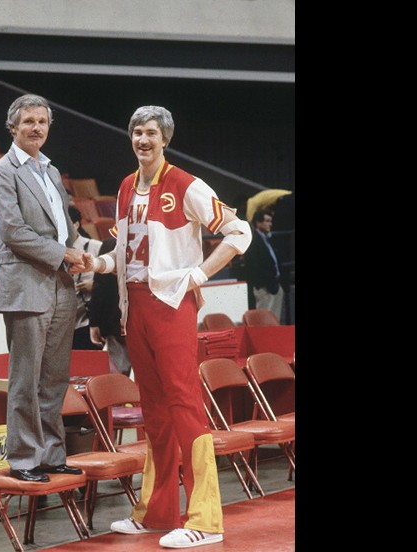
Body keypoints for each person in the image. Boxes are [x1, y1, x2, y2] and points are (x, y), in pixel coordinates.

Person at [84, 105, 252, 548]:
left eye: (151, 133)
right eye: (137, 132)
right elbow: (123, 250)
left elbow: (239, 232)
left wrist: (198, 275)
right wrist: (96, 262)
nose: (143, 139)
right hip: (133, 307)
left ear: (166, 140)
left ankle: (206, 519)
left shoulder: (185, 184)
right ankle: (157, 511)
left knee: (184, 405)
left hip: (172, 306)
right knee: (154, 410)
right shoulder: (124, 186)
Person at [0, 93, 88, 483]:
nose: (37, 128)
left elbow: (65, 227)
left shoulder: (50, 170)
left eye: (42, 122)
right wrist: (64, 252)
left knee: (55, 378)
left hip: (62, 284)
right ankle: (25, 459)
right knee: (26, 378)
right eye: (29, 121)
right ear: (13, 127)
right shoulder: (1, 170)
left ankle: (51, 454)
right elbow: (13, 232)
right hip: (26, 284)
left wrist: (77, 252)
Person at [86, 237, 132, 376]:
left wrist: (94, 322)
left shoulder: (110, 243)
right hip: (132, 318)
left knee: (121, 373)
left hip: (115, 320)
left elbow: (99, 286)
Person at [68, 205, 103, 350]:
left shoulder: (96, 247)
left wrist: (94, 284)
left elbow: (111, 281)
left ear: (76, 224)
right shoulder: (51, 250)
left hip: (86, 320)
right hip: (62, 324)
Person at [242, 209, 284, 316]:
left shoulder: (266, 238)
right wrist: (263, 284)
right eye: (267, 221)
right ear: (258, 222)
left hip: (273, 284)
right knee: (264, 319)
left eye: (270, 221)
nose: (270, 224)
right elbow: (253, 265)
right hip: (264, 287)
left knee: (274, 318)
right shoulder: (254, 240)